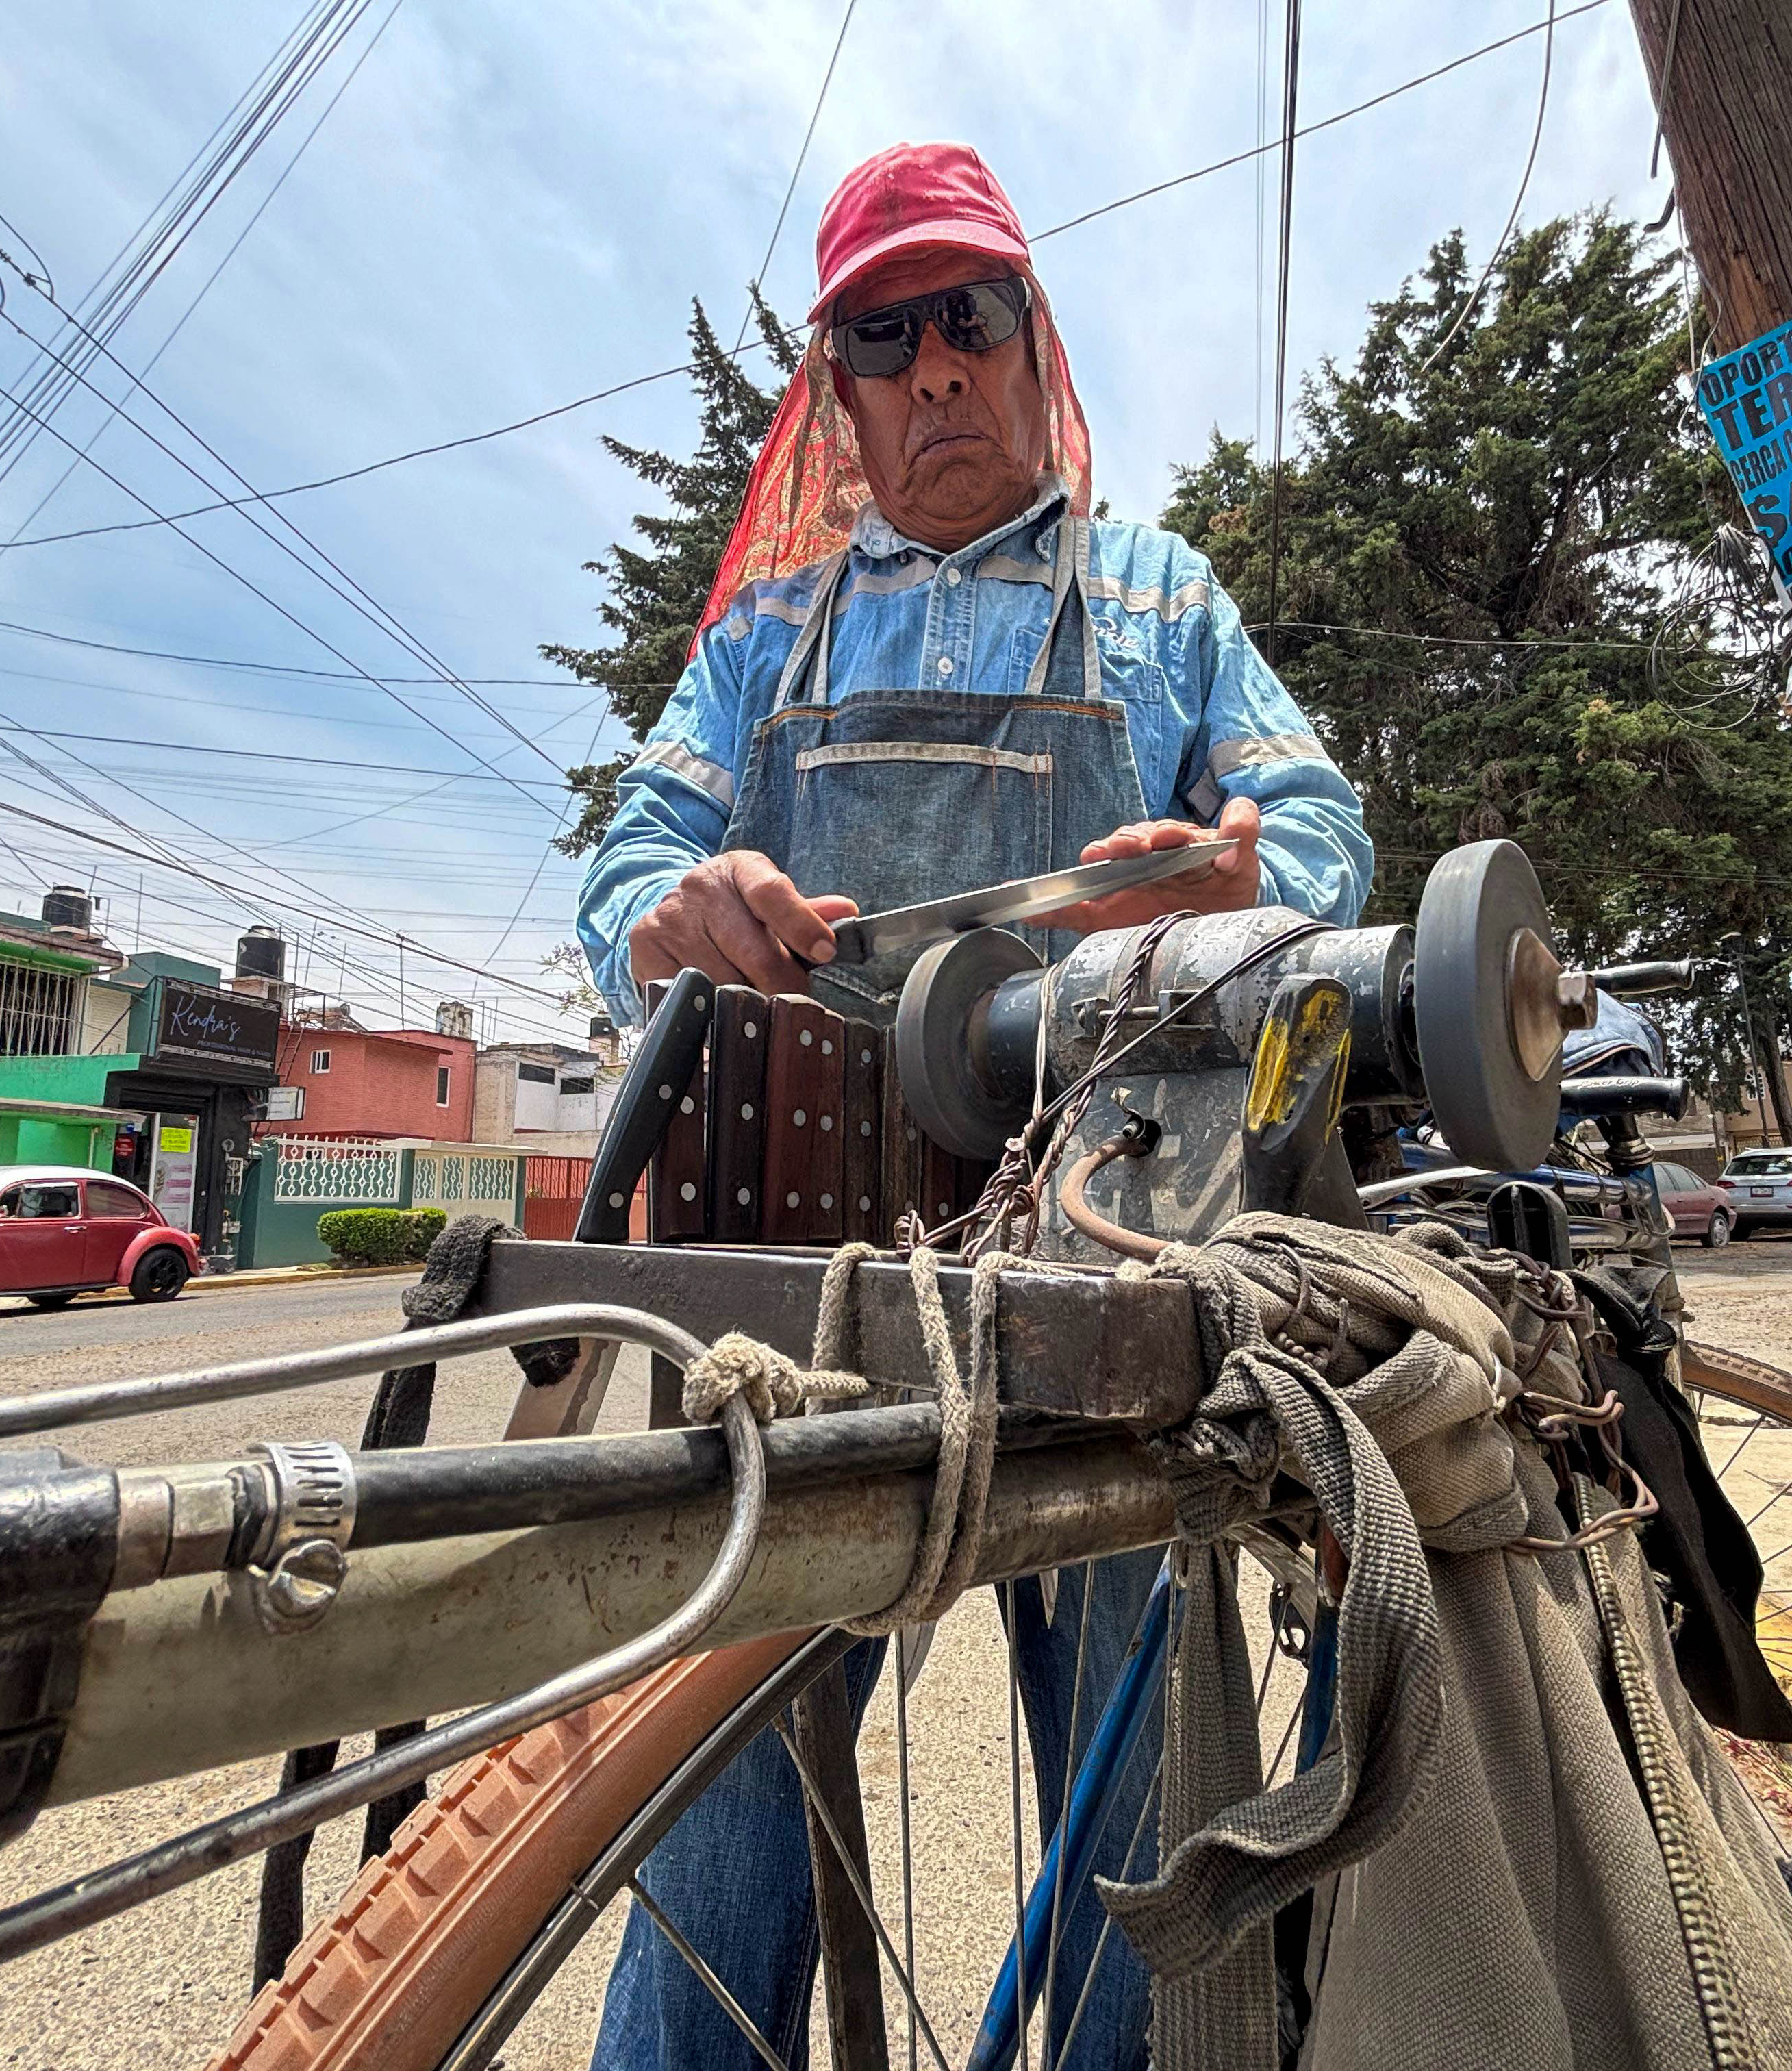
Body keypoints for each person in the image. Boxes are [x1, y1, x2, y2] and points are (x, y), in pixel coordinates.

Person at [574, 142, 1373, 2071]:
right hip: (791, 1269)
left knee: (1138, 1774)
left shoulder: (1164, 598)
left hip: (1106, 1240)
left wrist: (1241, 880)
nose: (934, 366)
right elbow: (624, 874)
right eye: (883, 335)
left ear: (1033, 344)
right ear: (839, 398)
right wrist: (672, 918)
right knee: (719, 1790)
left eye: (970, 314)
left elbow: (1324, 831)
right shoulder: (763, 638)